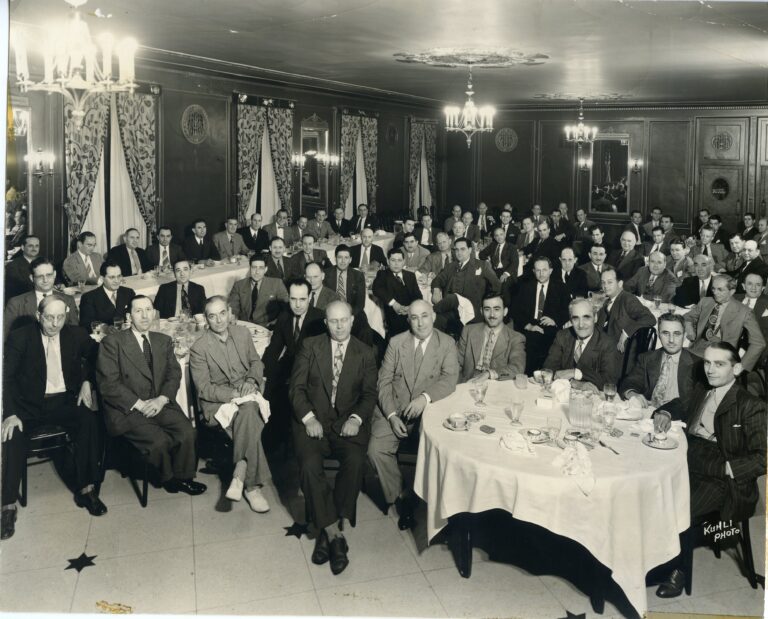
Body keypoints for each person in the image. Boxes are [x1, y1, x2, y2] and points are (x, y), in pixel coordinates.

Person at [653, 342, 767, 598]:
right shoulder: (702, 389)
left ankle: (676, 571)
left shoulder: (750, 405)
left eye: (719, 364)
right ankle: (652, 558)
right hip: (690, 458)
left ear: (736, 368)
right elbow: (678, 405)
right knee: (652, 491)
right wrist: (665, 412)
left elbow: (763, 457)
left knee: (680, 506)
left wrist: (728, 468)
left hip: (725, 479)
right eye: (707, 362)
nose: (710, 370)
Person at [1, 297, 105, 540]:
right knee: (12, 434)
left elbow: (98, 355)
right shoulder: (21, 337)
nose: (55, 323)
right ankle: (7, 507)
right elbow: (5, 378)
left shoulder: (76, 334)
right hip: (28, 406)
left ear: (66, 315)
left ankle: (87, 488)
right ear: (39, 315)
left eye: (60, 317)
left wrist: (87, 381)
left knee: (88, 421)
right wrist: (10, 413)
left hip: (63, 402)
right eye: (49, 317)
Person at [289, 301, 378, 576]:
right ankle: (335, 533)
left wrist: (356, 419)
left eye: (344, 320)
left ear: (352, 320)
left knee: (354, 461)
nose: (339, 326)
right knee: (308, 465)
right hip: (313, 423)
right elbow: (296, 388)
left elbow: (369, 395)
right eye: (333, 321)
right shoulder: (310, 346)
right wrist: (308, 418)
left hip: (347, 425)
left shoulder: (366, 352)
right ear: (325, 322)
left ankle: (327, 532)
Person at [96, 295, 206, 496]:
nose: (145, 315)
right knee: (159, 442)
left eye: (148, 310)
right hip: (127, 408)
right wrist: (138, 404)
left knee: (187, 432)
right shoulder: (112, 342)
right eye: (138, 311)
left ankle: (184, 477)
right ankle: (168, 478)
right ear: (129, 316)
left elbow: (174, 373)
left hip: (159, 402)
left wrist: (162, 399)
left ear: (154, 313)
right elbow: (108, 384)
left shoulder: (163, 340)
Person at [369, 299, 458, 529]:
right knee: (376, 450)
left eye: (425, 316)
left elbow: (449, 379)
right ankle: (401, 496)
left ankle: (429, 500)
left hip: (428, 411)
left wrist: (424, 399)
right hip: (394, 408)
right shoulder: (397, 343)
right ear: (408, 320)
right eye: (414, 317)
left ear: (434, 317)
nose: (420, 323)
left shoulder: (446, 343)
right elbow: (383, 381)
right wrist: (390, 415)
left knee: (434, 452)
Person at [189, 296, 270, 512]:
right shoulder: (199, 348)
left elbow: (256, 362)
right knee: (250, 414)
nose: (219, 320)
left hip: (248, 392)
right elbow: (204, 389)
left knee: (249, 409)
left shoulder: (243, 334)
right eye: (212, 316)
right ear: (206, 319)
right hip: (219, 402)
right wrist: (235, 393)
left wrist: (252, 380)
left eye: (222, 313)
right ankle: (252, 487)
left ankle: (240, 473)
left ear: (230, 312)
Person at [684, 274, 765, 371]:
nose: (715, 293)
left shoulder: (744, 312)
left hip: (721, 356)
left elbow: (759, 343)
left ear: (732, 291)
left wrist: (742, 365)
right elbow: (687, 317)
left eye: (720, 290)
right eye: (713, 289)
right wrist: (690, 331)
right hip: (695, 350)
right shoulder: (706, 302)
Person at [620, 313, 697, 413]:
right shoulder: (647, 358)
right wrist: (632, 393)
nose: (671, 340)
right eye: (665, 333)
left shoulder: (696, 364)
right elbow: (630, 381)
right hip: (649, 412)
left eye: (677, 334)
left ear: (684, 335)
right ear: (658, 334)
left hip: (678, 418)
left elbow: (695, 404)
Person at [542, 297, 621, 391]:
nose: (581, 325)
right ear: (571, 321)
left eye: (586, 317)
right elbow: (548, 370)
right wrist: (573, 382)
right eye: (576, 318)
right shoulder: (562, 336)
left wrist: (577, 373)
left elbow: (609, 382)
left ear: (595, 318)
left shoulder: (608, 343)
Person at [431, 237, 501, 335]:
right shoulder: (451, 266)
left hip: (472, 309)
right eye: (456, 250)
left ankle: (427, 311)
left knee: (453, 297)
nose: (459, 252)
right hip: (452, 309)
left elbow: (497, 286)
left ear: (470, 250)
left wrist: (487, 305)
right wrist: (436, 290)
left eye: (462, 249)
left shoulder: (482, 265)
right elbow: (438, 279)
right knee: (436, 319)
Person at [511, 257, 570, 373]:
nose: (541, 274)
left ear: (551, 271)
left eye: (544, 270)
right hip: (530, 326)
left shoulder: (561, 287)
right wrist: (529, 326)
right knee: (530, 348)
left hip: (551, 328)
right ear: (533, 271)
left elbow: (568, 310)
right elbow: (515, 310)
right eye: (538, 270)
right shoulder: (525, 287)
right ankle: (529, 376)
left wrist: (555, 320)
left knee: (551, 353)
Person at [457, 293, 525, 382]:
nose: (492, 315)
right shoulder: (468, 331)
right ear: (481, 311)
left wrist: (489, 373)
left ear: (505, 311)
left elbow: (517, 369)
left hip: (496, 387)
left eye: (497, 309)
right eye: (487, 309)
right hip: (468, 383)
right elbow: (455, 364)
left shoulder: (516, 338)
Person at [4, 258, 79, 339]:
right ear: (32, 278)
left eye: (49, 275)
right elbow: (5, 337)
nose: (45, 280)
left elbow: (74, 332)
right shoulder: (16, 303)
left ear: (54, 274)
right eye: (40, 276)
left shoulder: (68, 300)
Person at [596, 267, 657, 353]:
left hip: (619, 353)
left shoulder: (628, 299)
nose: (605, 286)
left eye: (610, 282)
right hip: (605, 347)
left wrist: (626, 332)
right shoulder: (607, 301)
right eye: (603, 282)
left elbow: (650, 318)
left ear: (620, 283)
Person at [372, 247, 423, 336]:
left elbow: (418, 295)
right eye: (393, 260)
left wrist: (410, 307)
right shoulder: (383, 274)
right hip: (394, 314)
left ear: (404, 262)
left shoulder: (410, 275)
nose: (396, 263)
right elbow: (376, 289)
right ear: (388, 262)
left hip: (411, 311)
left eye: (399, 260)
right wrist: (394, 304)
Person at [228, 254, 288, 326]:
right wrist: (233, 319)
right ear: (250, 268)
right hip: (244, 326)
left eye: (261, 268)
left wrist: (275, 323)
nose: (257, 271)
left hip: (268, 326)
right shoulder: (239, 285)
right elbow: (233, 309)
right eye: (254, 267)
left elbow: (286, 309)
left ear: (266, 269)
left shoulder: (277, 284)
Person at [79, 261, 136, 328]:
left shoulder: (129, 293)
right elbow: (86, 325)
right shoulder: (89, 298)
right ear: (102, 278)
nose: (117, 281)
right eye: (112, 277)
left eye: (119, 276)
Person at [324, 245, 367, 316]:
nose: (343, 261)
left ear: (350, 259)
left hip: (351, 313)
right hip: (331, 313)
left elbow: (360, 305)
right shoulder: (325, 274)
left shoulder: (358, 276)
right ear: (335, 259)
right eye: (340, 257)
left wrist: (348, 316)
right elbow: (323, 300)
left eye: (346, 258)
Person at [4, 234, 40, 299]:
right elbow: (24, 287)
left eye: (37, 246)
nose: (34, 249)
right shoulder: (13, 266)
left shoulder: (43, 261)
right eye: (30, 246)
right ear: (23, 247)